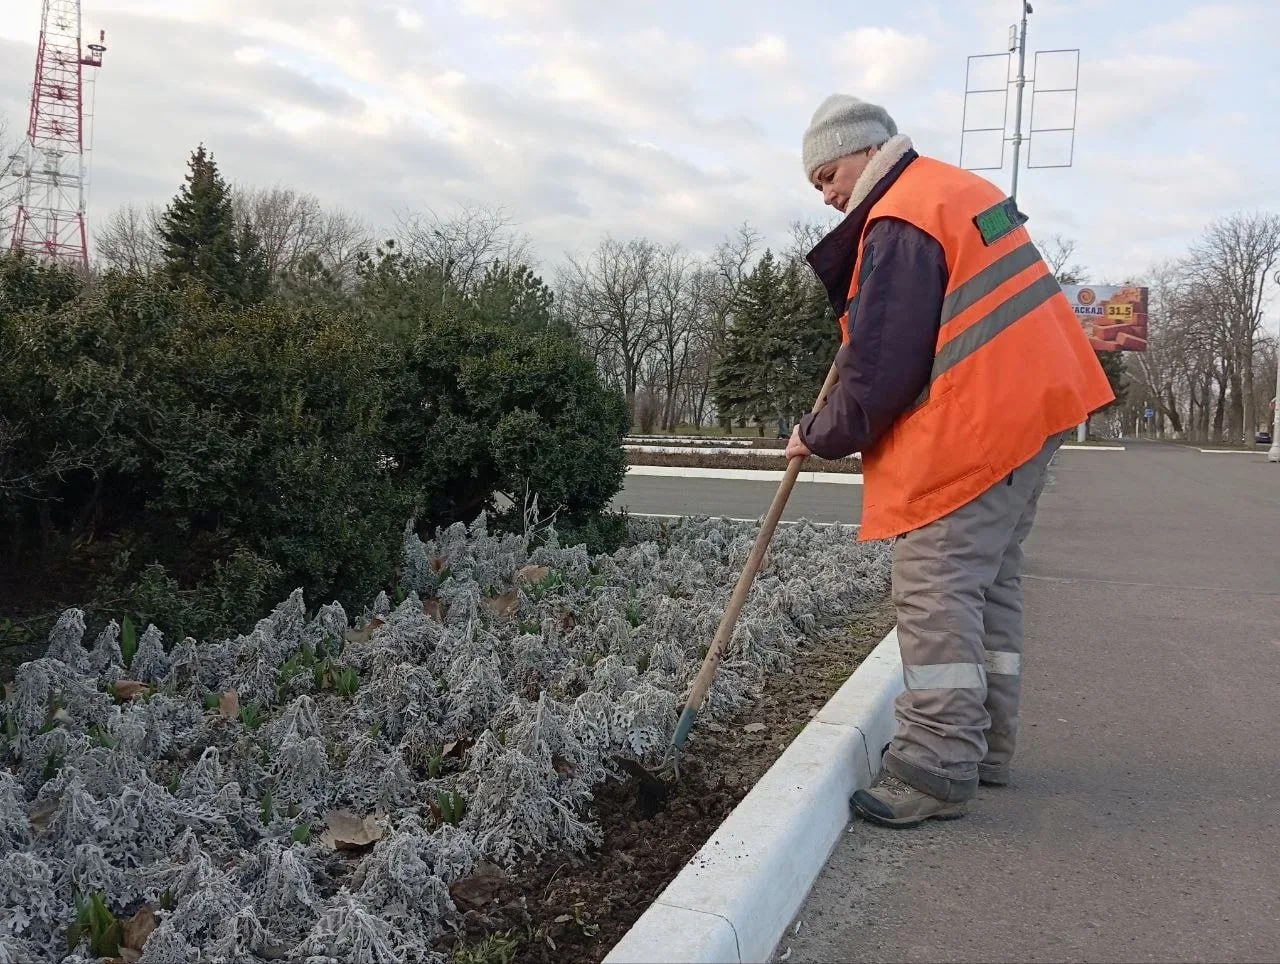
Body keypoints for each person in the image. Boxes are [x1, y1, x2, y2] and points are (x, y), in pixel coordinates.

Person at [784, 94, 1114, 828]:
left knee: (933, 582)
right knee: (986, 584)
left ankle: (936, 765)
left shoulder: (903, 216)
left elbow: (881, 364)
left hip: (983, 422)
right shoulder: (958, 192)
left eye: (828, 175)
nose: (828, 195)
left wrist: (821, 432)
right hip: (1032, 412)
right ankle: (985, 748)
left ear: (866, 152)